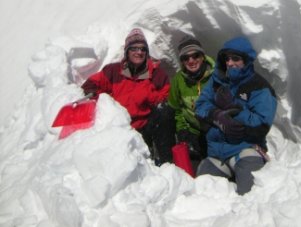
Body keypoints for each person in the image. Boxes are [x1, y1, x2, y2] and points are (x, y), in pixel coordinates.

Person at [195, 36, 277, 195]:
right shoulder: (217, 80)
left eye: (236, 59)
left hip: (245, 149)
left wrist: (235, 108)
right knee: (201, 197)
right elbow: (200, 106)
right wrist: (217, 116)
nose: (230, 63)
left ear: (246, 61)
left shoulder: (259, 87)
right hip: (216, 153)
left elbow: (261, 124)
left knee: (251, 196)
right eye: (227, 59)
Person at [81, 28, 175, 164]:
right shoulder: (113, 71)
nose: (139, 52)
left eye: (143, 49)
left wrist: (149, 95)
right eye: (134, 49)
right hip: (120, 127)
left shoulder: (157, 74)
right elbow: (91, 85)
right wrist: (99, 99)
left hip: (145, 126)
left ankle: (166, 162)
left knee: (164, 111)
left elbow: (166, 98)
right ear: (127, 51)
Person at [168, 35, 214, 169]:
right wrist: (182, 129)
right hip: (192, 132)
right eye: (185, 58)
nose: (191, 60)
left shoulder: (217, 76)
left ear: (202, 56)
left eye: (195, 55)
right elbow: (176, 108)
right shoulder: (178, 80)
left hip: (215, 131)